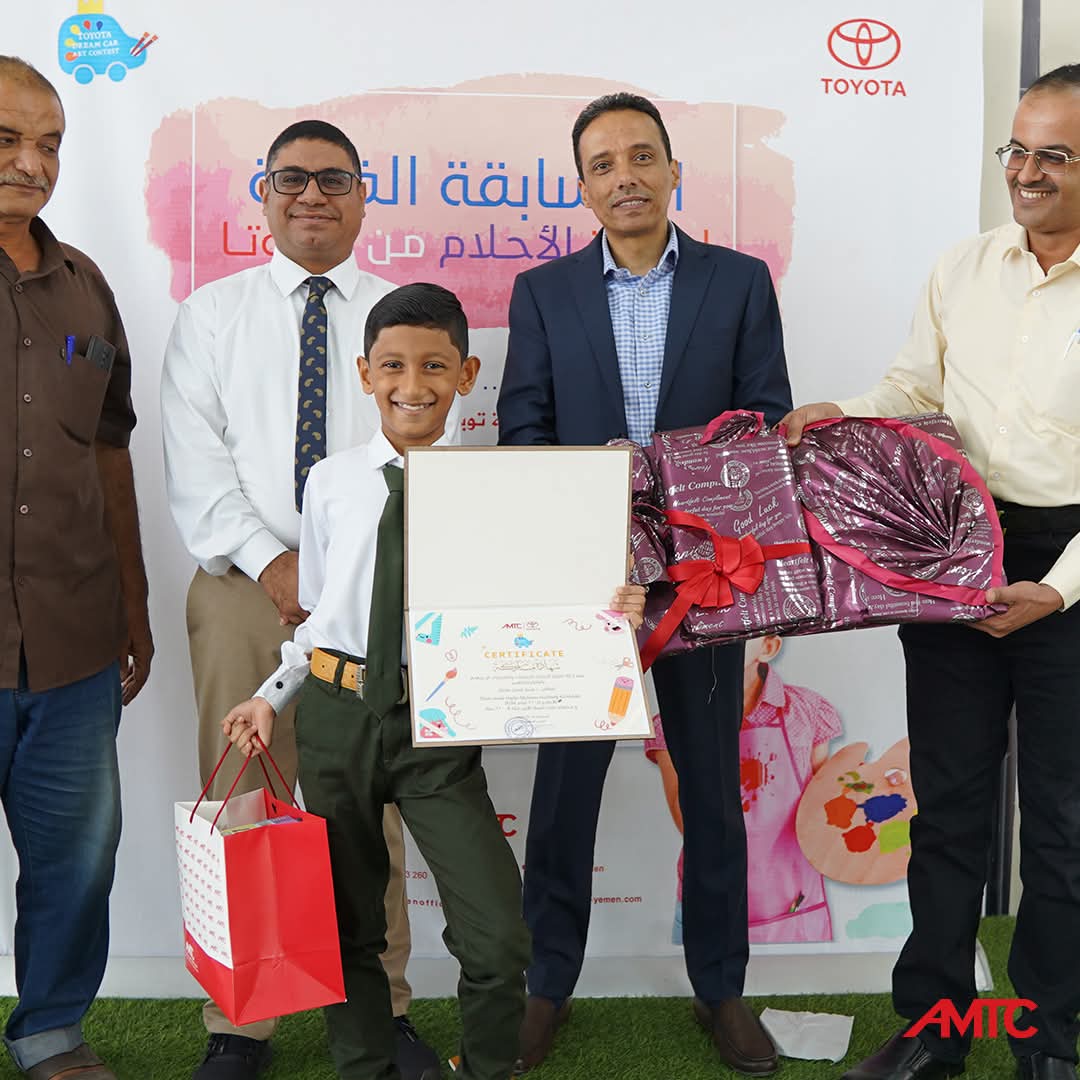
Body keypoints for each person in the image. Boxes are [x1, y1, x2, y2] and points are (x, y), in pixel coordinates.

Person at [221, 282, 647, 1080]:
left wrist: (612, 604)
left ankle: (488, 1067)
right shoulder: (330, 482)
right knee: (348, 923)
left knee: (497, 935)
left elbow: (548, 596)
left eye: (433, 366)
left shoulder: (498, 488)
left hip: (436, 724)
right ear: (364, 373)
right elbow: (320, 618)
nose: (411, 384)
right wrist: (269, 696)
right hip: (337, 719)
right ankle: (365, 1067)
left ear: (467, 374)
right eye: (392, 365)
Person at [783, 64, 1080, 1080]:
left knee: (1064, 825)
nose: (1026, 173)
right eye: (1016, 150)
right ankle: (935, 1032)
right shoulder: (964, 267)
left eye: (1053, 154)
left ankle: (1046, 1036)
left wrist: (1058, 589)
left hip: (1071, 571)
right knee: (947, 810)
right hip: (953, 553)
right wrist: (844, 415)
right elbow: (913, 390)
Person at [497, 91, 792, 1076]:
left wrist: (680, 514)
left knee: (710, 791)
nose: (623, 176)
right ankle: (546, 986)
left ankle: (722, 990)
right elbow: (524, 433)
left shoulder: (738, 283)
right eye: (602, 164)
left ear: (673, 170)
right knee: (561, 799)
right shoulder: (544, 294)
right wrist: (593, 525)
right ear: (582, 187)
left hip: (702, 583)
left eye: (640, 156)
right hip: (588, 585)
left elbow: (762, 425)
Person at [161, 120, 436, 1080]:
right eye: (291, 179)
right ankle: (243, 1021)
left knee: (370, 801)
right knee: (246, 800)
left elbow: (418, 452)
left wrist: (347, 568)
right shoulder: (211, 315)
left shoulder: (397, 317)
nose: (311, 195)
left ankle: (384, 1008)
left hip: (373, 590)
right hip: (242, 588)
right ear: (264, 197)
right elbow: (195, 464)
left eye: (333, 179)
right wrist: (273, 560)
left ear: (363, 196)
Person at [0, 56, 153, 1080]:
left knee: (77, 858)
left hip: (72, 638)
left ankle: (52, 1029)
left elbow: (109, 451)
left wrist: (133, 602)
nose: (33, 162)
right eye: (8, 138)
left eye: (50, 144)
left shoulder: (87, 286)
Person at [647, 636, 842, 946]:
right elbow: (688, 822)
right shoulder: (674, 723)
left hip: (796, 903)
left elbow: (827, 807)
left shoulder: (806, 711)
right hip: (707, 899)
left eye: (733, 629)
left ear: (769, 647)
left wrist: (868, 789)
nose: (715, 638)